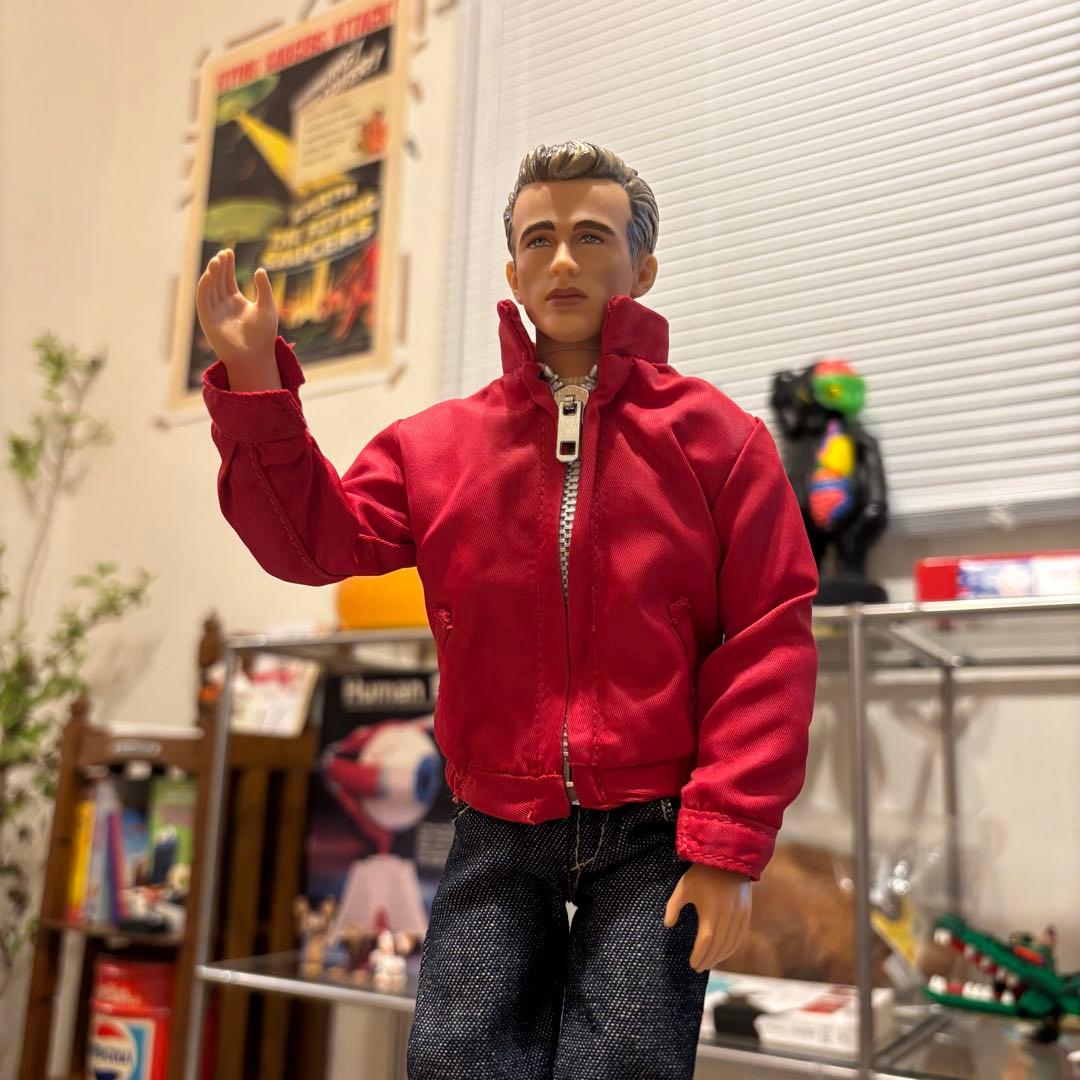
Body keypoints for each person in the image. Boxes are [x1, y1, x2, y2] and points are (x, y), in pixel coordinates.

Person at [197, 140, 818, 1079]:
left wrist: (728, 841)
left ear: (643, 267)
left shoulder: (718, 444)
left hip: (653, 825)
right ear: (512, 273)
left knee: (625, 1064)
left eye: (591, 236)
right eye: (538, 239)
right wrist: (255, 385)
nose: (562, 259)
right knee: (459, 1056)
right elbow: (314, 542)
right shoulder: (438, 449)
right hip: (494, 814)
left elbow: (769, 641)